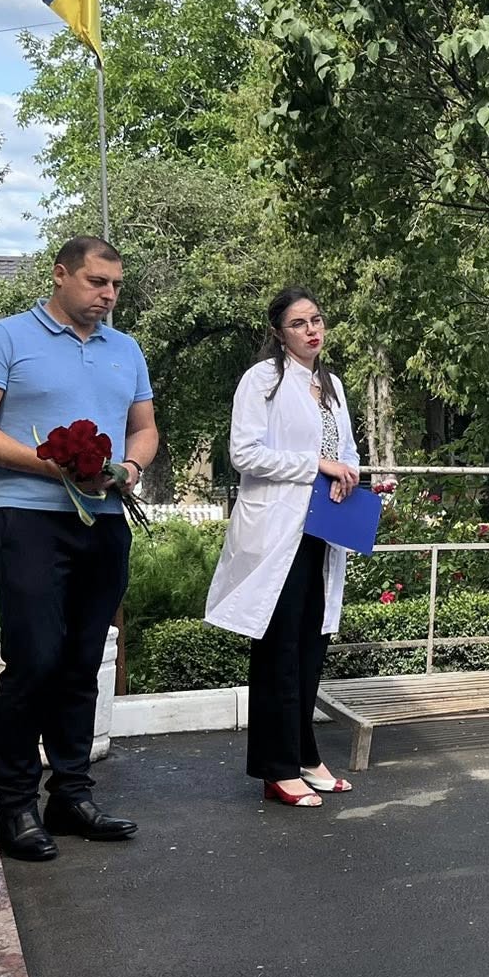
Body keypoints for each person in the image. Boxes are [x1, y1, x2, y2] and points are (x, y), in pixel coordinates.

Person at [0, 236, 159, 861]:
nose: (108, 295)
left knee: (82, 659)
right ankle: (15, 805)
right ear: (61, 275)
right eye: (97, 282)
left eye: (116, 285)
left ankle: (71, 794)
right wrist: (51, 465)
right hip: (26, 518)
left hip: (104, 519)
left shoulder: (126, 349)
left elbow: (144, 428)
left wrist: (130, 469)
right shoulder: (5, 338)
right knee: (34, 657)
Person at [204, 289, 363, 806]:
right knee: (279, 649)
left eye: (316, 320)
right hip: (277, 531)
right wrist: (315, 466)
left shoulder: (332, 384)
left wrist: (350, 474)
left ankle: (306, 755)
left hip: (323, 528)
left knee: (312, 643)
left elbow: (345, 450)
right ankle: (276, 767)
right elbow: (245, 454)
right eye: (299, 323)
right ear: (278, 332)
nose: (312, 330)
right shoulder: (263, 380)